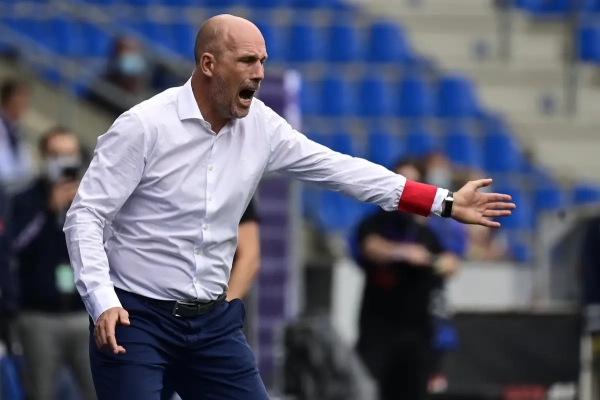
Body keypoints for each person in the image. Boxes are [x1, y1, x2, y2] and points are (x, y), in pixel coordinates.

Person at [63, 14, 515, 400]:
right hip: (136, 317)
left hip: (212, 325)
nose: (259, 73)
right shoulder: (143, 126)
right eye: (247, 61)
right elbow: (85, 215)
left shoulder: (261, 125)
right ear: (209, 64)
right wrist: (102, 301)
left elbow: (341, 170)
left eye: (263, 61)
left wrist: (443, 201)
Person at [353, 158, 459, 400]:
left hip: (417, 333)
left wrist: (430, 261)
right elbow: (370, 247)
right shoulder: (375, 223)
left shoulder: (426, 232)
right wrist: (403, 253)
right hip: (378, 330)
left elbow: (450, 264)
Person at [8, 127, 96, 400]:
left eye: (69, 154)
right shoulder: (24, 199)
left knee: (98, 390)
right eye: (56, 154)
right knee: (41, 393)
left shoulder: (92, 197)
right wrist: (47, 210)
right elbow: (13, 246)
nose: (63, 162)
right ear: (43, 157)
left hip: (84, 314)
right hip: (38, 316)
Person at [161, 198, 260, 400]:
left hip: (215, 320)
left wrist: (220, 311)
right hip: (155, 316)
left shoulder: (233, 184)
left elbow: (250, 256)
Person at [0, 79, 32, 188]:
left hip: (14, 187)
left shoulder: (19, 132)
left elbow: (25, 169)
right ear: (7, 100)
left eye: (25, 101)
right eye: (20, 100)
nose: (23, 106)